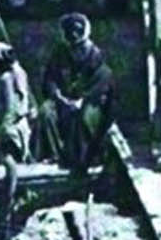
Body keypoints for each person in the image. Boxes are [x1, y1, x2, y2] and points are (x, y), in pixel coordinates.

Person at [39, 12, 116, 171]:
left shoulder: (96, 55)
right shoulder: (60, 53)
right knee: (46, 112)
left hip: (90, 102)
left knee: (83, 117)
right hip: (64, 100)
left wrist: (83, 100)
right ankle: (55, 154)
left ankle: (84, 160)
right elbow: (50, 78)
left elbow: (104, 82)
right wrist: (57, 95)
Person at [0, 38, 33, 240]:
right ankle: (9, 222)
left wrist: (3, 130)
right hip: (4, 127)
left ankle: (5, 223)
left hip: (12, 130)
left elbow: (12, 108)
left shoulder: (7, 78)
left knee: (8, 168)